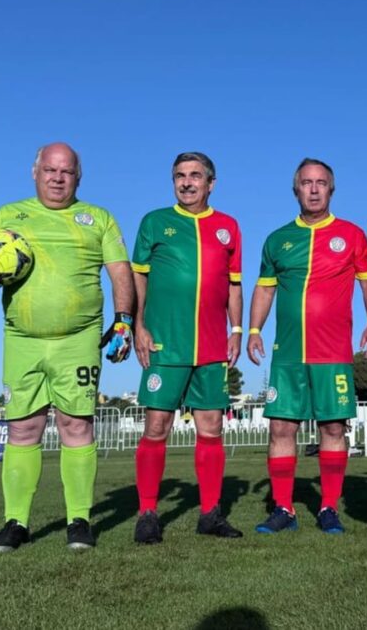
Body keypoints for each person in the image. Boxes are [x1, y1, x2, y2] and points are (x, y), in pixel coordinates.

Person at [0, 143, 134, 553]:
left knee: (76, 426)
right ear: (35, 172)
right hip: (21, 339)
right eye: (50, 170)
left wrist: (124, 320)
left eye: (67, 172)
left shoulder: (98, 218)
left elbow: (120, 273)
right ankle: (15, 523)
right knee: (24, 427)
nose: (58, 178)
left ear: (79, 176)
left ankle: (79, 520)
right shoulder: (8, 215)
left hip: (78, 340)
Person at [247, 158, 367, 534]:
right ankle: (284, 509)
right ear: (296, 190)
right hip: (287, 355)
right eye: (307, 182)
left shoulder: (351, 235)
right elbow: (265, 288)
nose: (314, 189)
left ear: (331, 189)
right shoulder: (277, 240)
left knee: (334, 429)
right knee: (281, 430)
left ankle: (328, 507)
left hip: (332, 352)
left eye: (321, 182)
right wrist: (254, 329)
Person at [130, 152, 244, 544]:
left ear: (211, 183)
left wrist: (237, 330)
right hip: (165, 343)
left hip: (212, 345)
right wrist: (137, 325)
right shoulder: (155, 222)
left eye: (196, 176)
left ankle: (210, 513)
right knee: (156, 427)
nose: (187, 182)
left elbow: (234, 285)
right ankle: (147, 513)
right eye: (180, 175)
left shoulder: (228, 227)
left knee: (212, 429)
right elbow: (138, 278)